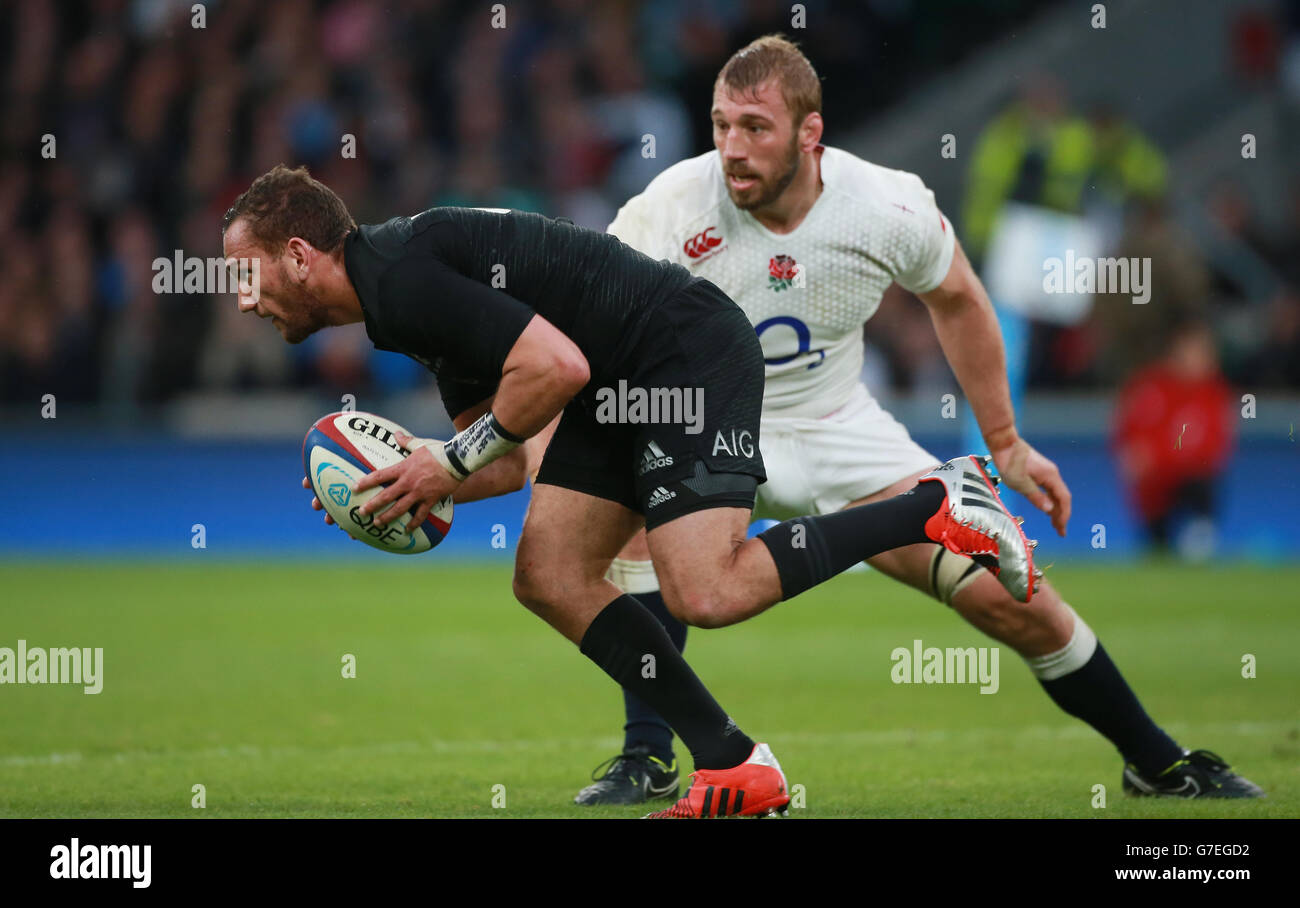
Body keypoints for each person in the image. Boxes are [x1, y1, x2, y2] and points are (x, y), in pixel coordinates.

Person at [570, 35, 1262, 806]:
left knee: (1011, 594)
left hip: (839, 426)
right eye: (721, 125)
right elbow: (592, 333)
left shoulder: (885, 204)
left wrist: (1005, 444)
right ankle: (645, 756)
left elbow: (960, 297)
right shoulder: (668, 209)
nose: (732, 147)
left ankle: (1157, 763)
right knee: (635, 518)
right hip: (712, 428)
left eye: (755, 128)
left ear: (810, 133)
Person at [221, 163, 1035, 818]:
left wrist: (448, 462)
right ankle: (735, 767)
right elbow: (502, 448)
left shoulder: (402, 281)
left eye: (246, 273)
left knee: (706, 590)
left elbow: (553, 370)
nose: (242, 298)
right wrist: (406, 481)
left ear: (299, 256)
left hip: (681, 354)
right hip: (615, 386)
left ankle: (936, 504)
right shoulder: (393, 299)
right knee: (548, 575)